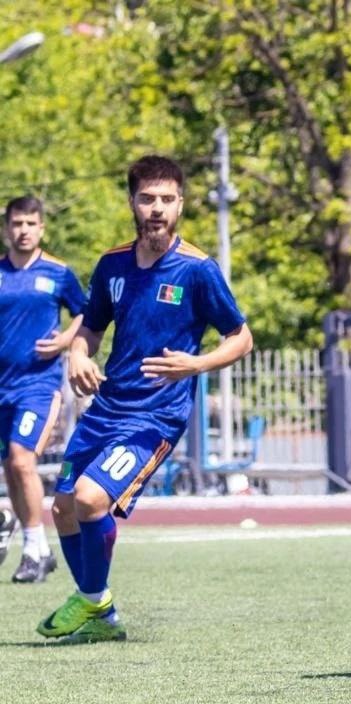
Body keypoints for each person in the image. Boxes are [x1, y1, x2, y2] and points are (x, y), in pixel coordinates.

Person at [35, 155, 253, 644]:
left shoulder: (198, 269)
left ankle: (92, 601)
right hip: (107, 408)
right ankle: (101, 614)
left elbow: (242, 338)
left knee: (90, 499)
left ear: (181, 205)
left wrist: (196, 365)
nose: (157, 208)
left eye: (167, 200)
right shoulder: (112, 264)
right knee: (63, 508)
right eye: (148, 198)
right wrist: (77, 354)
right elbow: (91, 327)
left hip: (156, 416)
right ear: (132, 202)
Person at [0, 196, 86, 583]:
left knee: (22, 460)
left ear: (41, 228)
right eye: (17, 223)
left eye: (30, 223)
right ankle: (39, 550)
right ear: (7, 228)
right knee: (11, 468)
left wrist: (67, 339)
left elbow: (88, 312)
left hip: (38, 385)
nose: (24, 230)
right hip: (2, 387)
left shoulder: (58, 272)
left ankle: (34, 548)